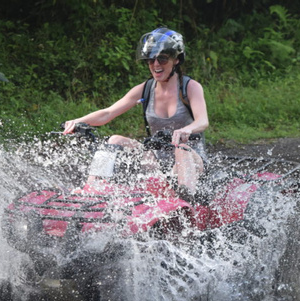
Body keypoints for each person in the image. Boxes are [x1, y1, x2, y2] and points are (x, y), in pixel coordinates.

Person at [63, 28, 209, 196]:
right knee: (115, 139)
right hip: (157, 161)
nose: (155, 65)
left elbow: (202, 121)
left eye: (162, 59)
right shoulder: (145, 89)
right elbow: (107, 113)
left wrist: (187, 129)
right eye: (151, 60)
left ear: (176, 60)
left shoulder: (190, 87)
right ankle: (91, 192)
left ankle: (186, 203)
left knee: (181, 149)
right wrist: (78, 121)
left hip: (191, 162)